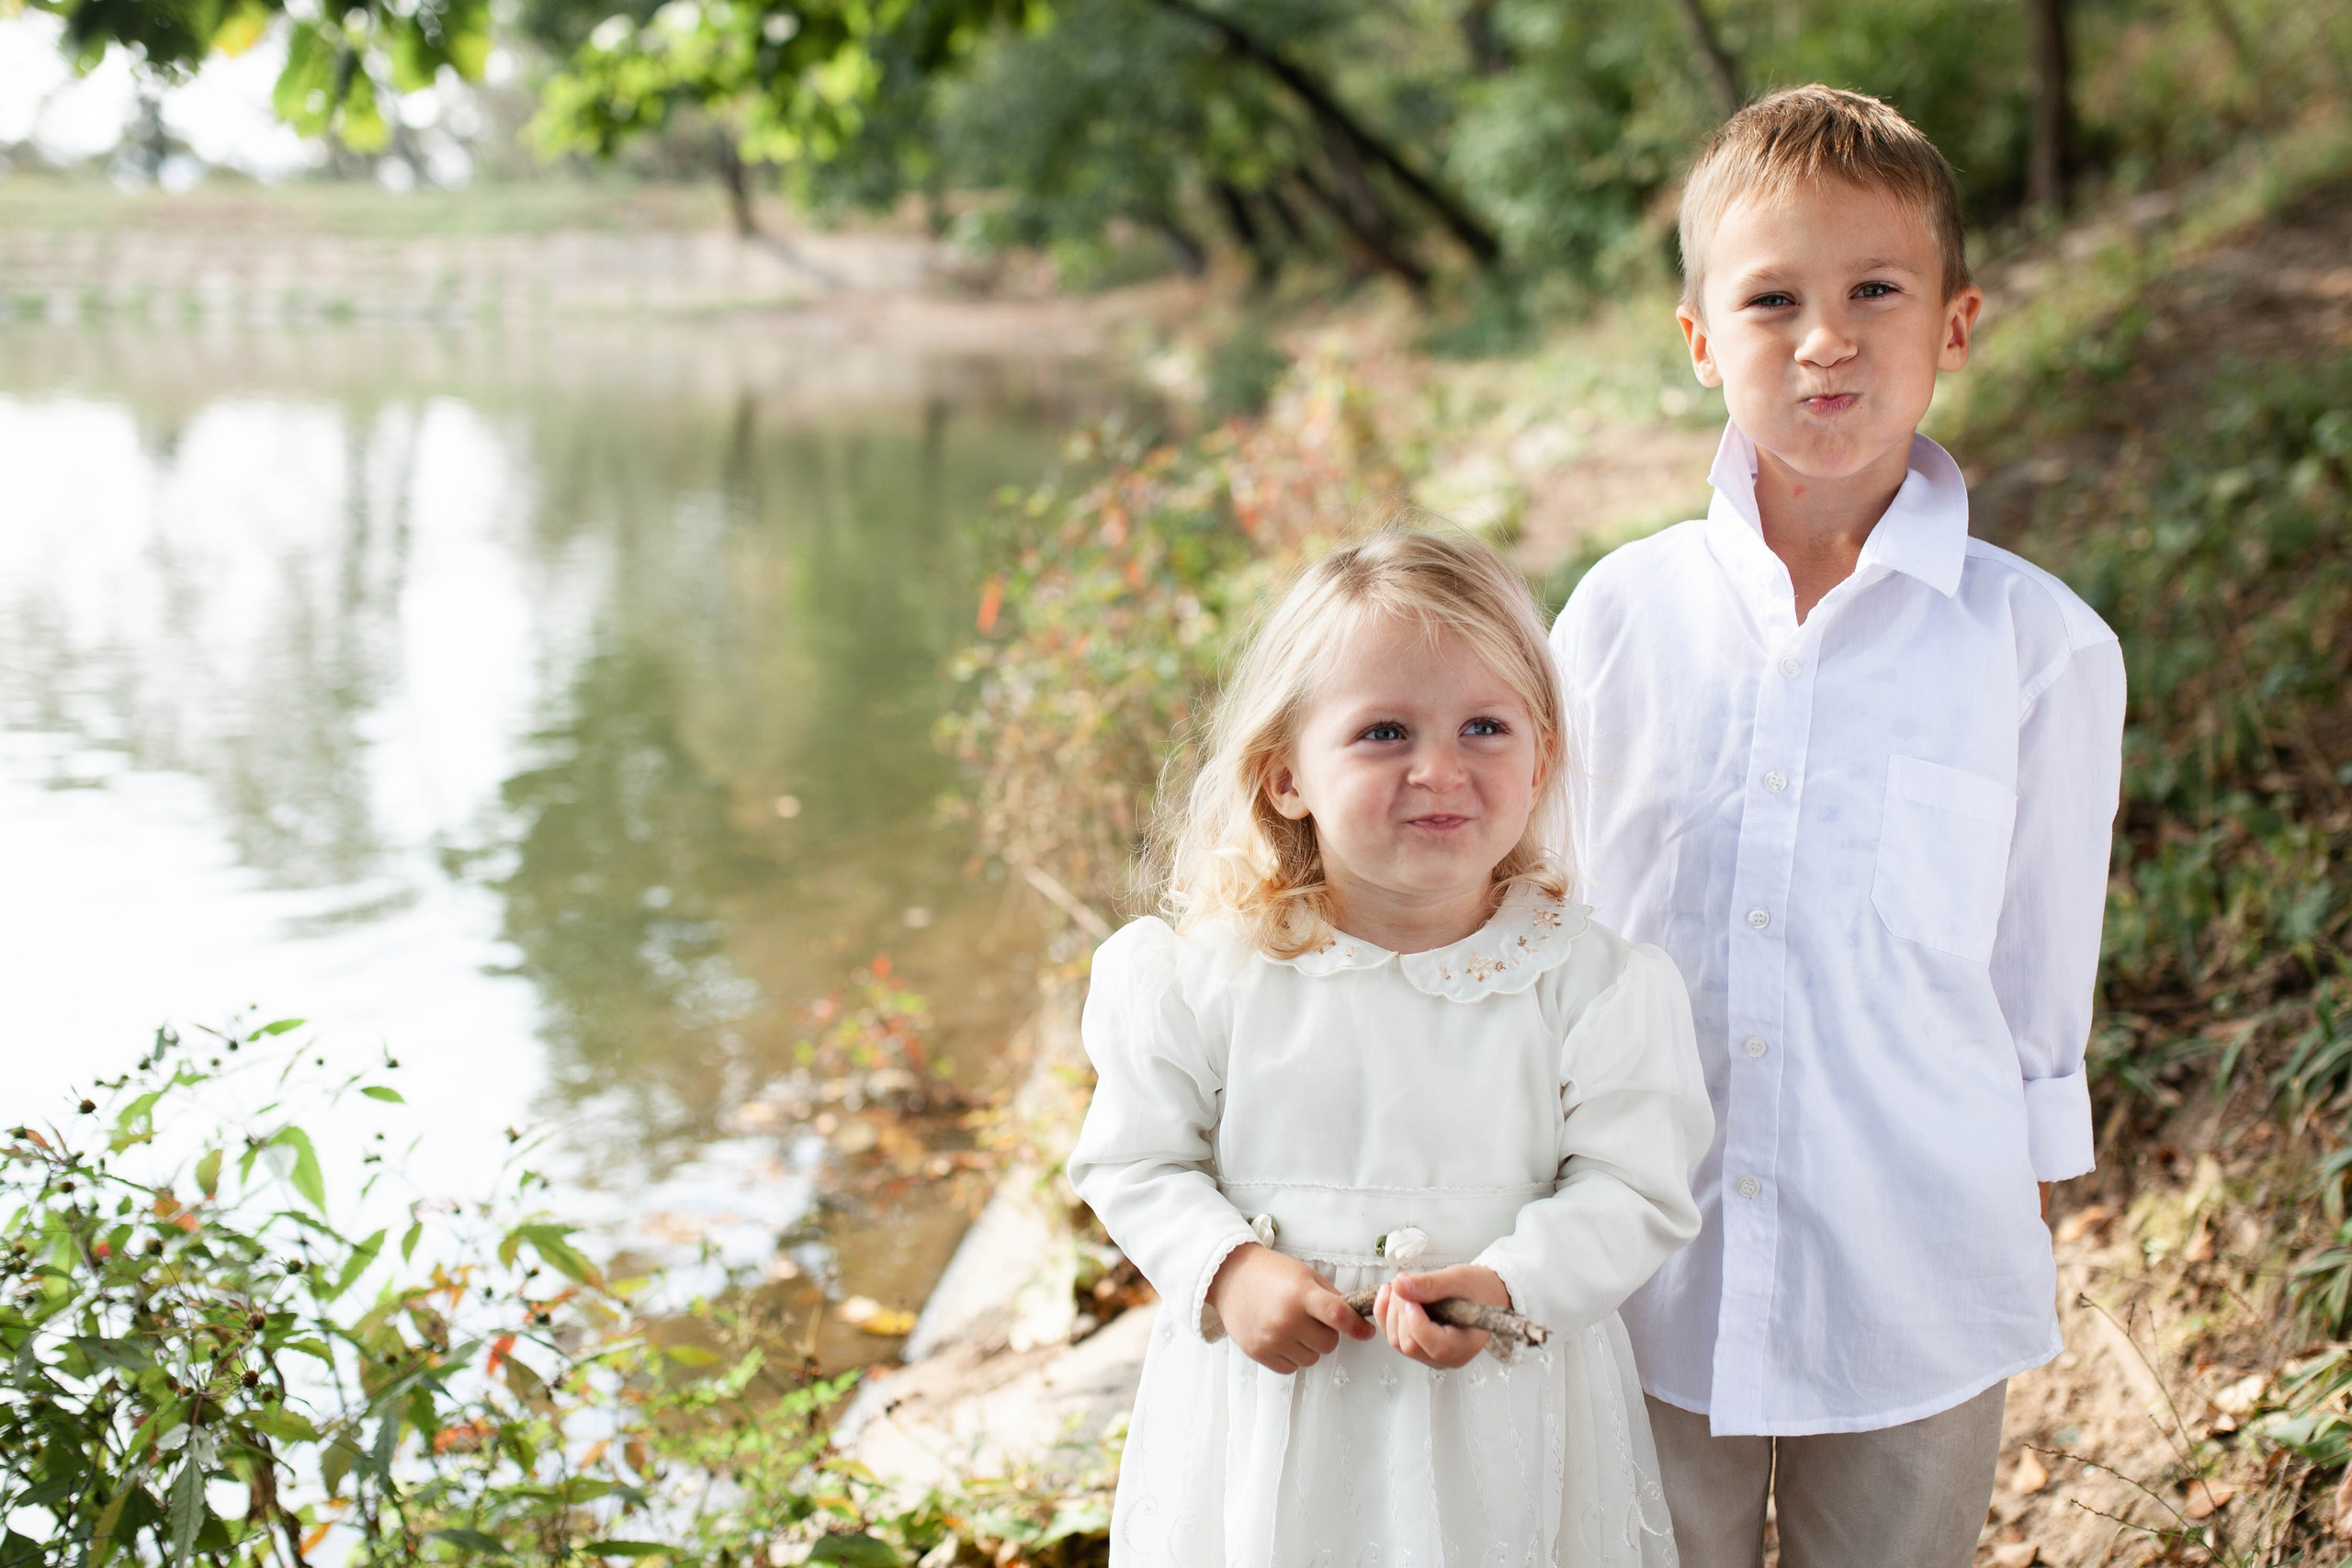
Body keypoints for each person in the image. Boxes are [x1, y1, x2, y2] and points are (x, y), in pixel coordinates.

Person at [1550, 86, 2127, 1568]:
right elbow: (1546, 905)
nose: (1827, 338)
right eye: (1773, 300)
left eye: (1878, 289)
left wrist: (2035, 1167)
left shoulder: (2038, 645)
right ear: (1698, 343)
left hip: (1911, 1268)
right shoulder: (1620, 618)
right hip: (1645, 1261)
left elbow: (2039, 957)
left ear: (1956, 323)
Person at [1069, 528, 1715, 1566]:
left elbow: (1632, 1191)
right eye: (1382, 733)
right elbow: (1135, 1158)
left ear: (1542, 756)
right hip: (1272, 1420)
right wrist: (1227, 1268)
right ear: (1286, 777)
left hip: (1495, 1414)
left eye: (1483, 727)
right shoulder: (1207, 975)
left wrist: (1507, 1287)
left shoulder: (1592, 987)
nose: (1439, 770)